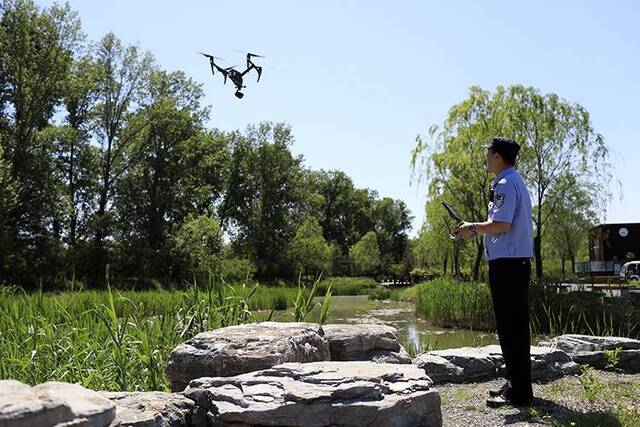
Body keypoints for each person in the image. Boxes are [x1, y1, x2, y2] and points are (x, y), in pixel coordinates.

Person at [453, 137, 534, 408]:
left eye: (488, 153)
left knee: (510, 328)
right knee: (514, 327)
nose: (486, 157)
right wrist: (474, 227)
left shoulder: (504, 183)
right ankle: (516, 384)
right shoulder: (514, 180)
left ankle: (519, 392)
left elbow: (501, 223)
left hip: (508, 264)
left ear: (497, 156)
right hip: (514, 262)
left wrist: (472, 228)